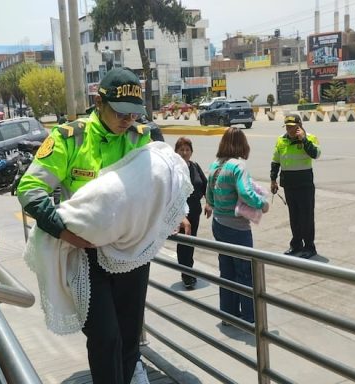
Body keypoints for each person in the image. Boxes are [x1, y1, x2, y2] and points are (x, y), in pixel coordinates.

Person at [17, 67, 191, 384]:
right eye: (120, 112)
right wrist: (63, 229)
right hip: (88, 254)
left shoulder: (143, 137)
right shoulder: (71, 138)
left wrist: (175, 212)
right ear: (100, 102)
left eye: (133, 114)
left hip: (132, 252)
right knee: (105, 336)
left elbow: (160, 183)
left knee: (127, 337)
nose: (128, 120)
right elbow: (29, 190)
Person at [206, 127, 268, 324]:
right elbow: (246, 193)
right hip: (237, 228)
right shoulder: (237, 167)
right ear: (242, 144)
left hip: (218, 224)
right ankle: (250, 317)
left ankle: (228, 314)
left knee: (227, 271)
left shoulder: (215, 166)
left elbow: (209, 197)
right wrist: (262, 204)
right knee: (245, 272)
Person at [270, 113, 321, 259]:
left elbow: (316, 154)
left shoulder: (310, 138)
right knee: (294, 217)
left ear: (299, 126)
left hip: (304, 185)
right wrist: (273, 180)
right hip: (289, 185)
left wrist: (303, 139)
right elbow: (275, 161)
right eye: (287, 127)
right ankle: (296, 244)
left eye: (293, 127)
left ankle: (309, 247)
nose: (290, 130)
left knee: (306, 217)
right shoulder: (281, 140)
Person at [174, 137, 212, 289]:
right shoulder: (173, 168)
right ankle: (187, 275)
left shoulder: (195, 166)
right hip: (179, 213)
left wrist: (209, 203)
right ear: (176, 151)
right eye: (181, 149)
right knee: (184, 245)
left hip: (194, 212)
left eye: (187, 149)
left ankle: (188, 271)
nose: (184, 152)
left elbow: (205, 186)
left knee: (191, 244)